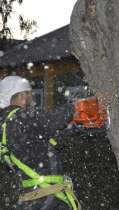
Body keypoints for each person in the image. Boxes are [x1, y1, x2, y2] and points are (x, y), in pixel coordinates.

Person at [0, 76, 79, 210]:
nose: (30, 101)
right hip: (47, 198)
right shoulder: (20, 117)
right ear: (21, 96)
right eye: (28, 95)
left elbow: (43, 142)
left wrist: (74, 129)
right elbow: (53, 119)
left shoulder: (7, 126)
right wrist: (76, 107)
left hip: (33, 198)